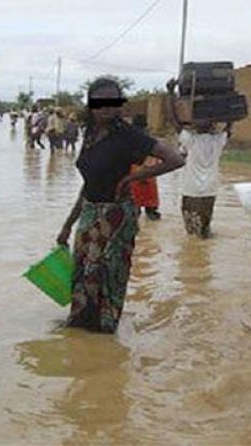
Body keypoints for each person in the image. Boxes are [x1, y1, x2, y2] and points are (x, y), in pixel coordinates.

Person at [57, 78, 184, 333]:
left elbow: (175, 159)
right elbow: (88, 184)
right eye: (100, 102)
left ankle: (104, 332)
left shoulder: (128, 135)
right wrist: (67, 226)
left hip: (116, 216)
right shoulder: (90, 134)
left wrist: (132, 178)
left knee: (108, 276)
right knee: (82, 274)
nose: (107, 107)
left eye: (112, 101)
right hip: (89, 212)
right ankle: (79, 329)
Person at [166, 78, 232, 239]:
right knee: (204, 230)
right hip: (210, 190)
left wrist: (170, 93)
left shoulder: (190, 139)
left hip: (192, 190)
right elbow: (230, 123)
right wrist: (228, 99)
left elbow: (173, 120)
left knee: (192, 232)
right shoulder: (218, 140)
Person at [129, 115, 162, 221]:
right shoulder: (151, 140)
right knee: (150, 205)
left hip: (135, 174)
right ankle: (150, 212)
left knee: (135, 206)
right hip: (149, 173)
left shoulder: (129, 139)